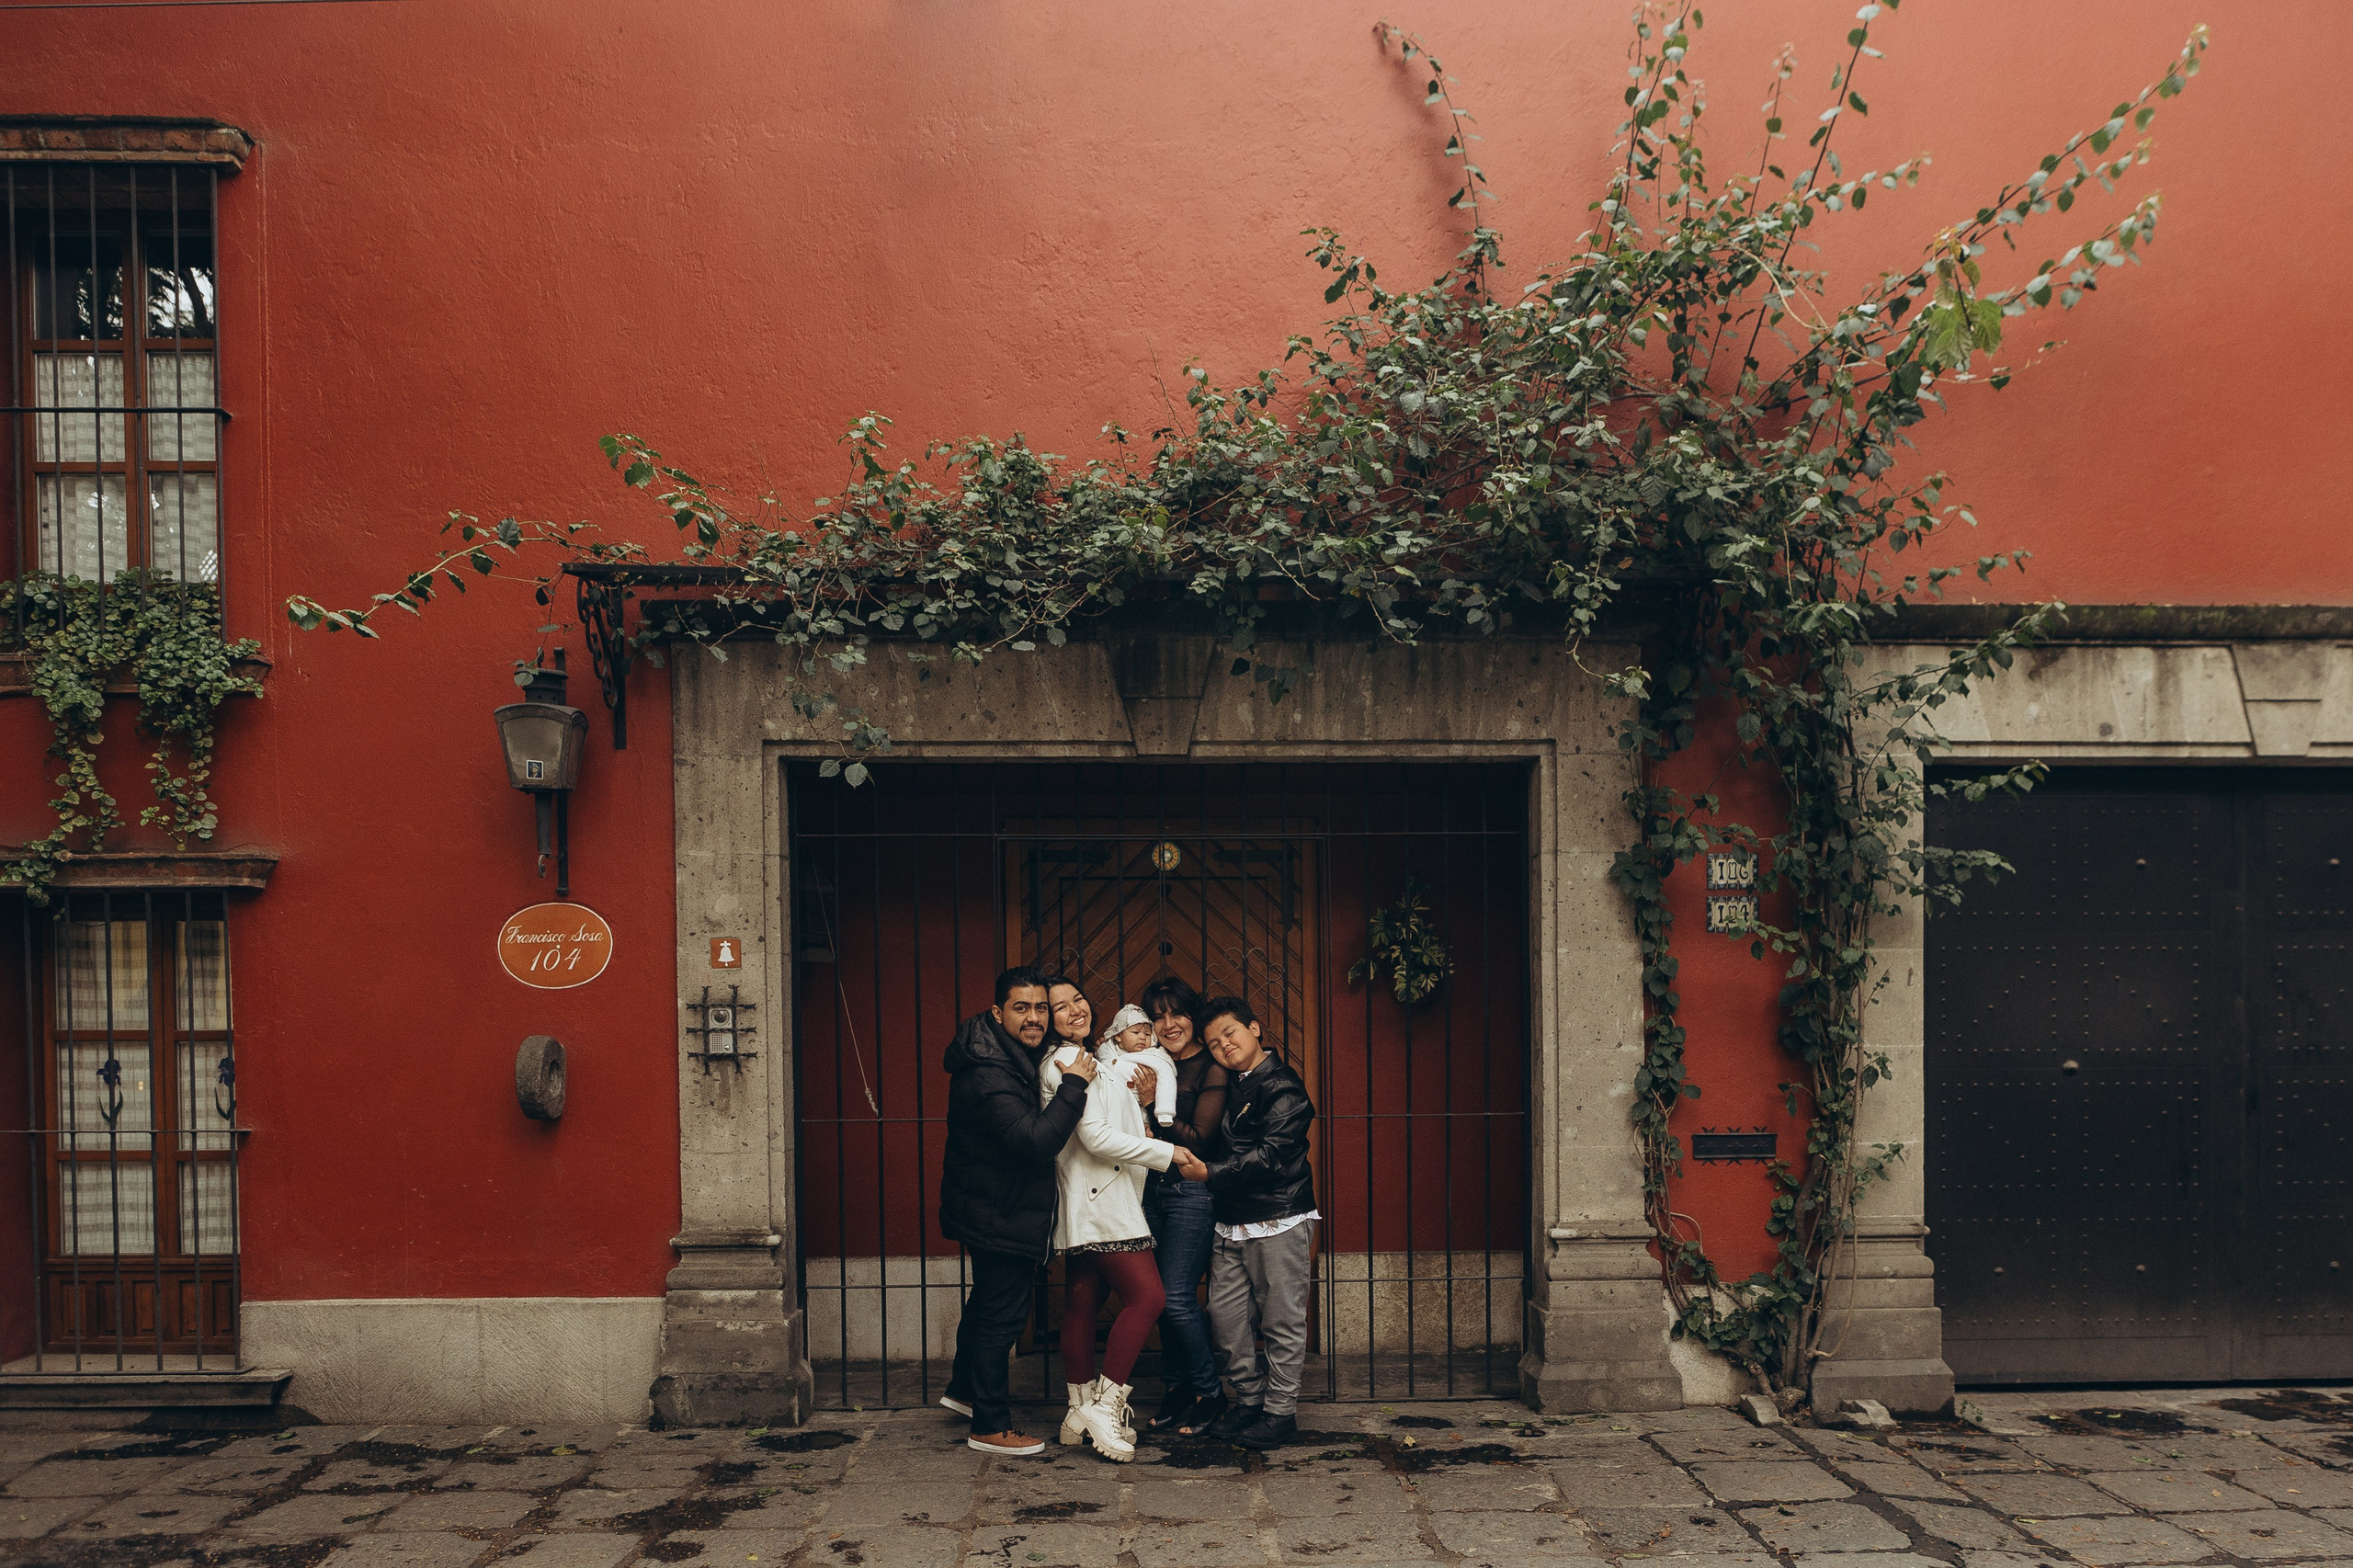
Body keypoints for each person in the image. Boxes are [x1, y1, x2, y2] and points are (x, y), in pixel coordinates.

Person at [1038, 978, 1209, 1461]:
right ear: (1046, 1019)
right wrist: (1170, 1152)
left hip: (1092, 1197)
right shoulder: (1067, 1062)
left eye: (1078, 1000)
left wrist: (1143, 1108)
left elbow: (1108, 1123)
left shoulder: (1091, 1060)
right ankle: (1106, 1407)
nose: (1074, 1011)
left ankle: (1076, 1410)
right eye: (1059, 1007)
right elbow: (1096, 1138)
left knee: (1083, 1302)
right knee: (1149, 1297)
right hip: (1104, 1199)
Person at [938, 965, 1096, 1455]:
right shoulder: (990, 1072)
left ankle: (965, 1392)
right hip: (998, 1210)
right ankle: (990, 1425)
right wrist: (1074, 1084)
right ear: (997, 1012)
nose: (1033, 1018)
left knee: (985, 1303)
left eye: (1040, 1008)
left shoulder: (1004, 1051)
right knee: (1001, 1317)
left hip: (988, 1201)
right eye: (1021, 1008)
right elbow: (1034, 1142)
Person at [1190, 994, 1318, 1450]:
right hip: (1231, 1218)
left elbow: (1269, 1156)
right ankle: (1249, 1399)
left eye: (1231, 1033)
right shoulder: (1230, 1083)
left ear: (1255, 1028)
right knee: (1225, 1318)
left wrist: (1210, 1173)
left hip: (1278, 1216)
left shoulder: (1283, 1085)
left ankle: (1280, 1412)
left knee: (1282, 1321)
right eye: (1214, 1042)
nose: (1224, 1045)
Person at [1137, 973, 1229, 1435]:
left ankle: (1211, 1393)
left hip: (1192, 1193)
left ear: (1193, 1014)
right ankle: (1176, 1388)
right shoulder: (1148, 1062)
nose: (1169, 1023)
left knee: (1175, 1297)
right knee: (1156, 1299)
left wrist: (1155, 1108)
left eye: (1177, 1012)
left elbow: (1202, 1141)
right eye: (1158, 1015)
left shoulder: (1212, 1067)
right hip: (1149, 1192)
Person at [1096, 1003, 1179, 1124]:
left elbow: (1167, 1077)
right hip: (1109, 1107)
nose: (1142, 1037)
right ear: (1118, 1035)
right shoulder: (1107, 1049)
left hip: (1140, 1108)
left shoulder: (1153, 1056)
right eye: (1135, 1032)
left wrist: (1165, 1112)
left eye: (1147, 1034)